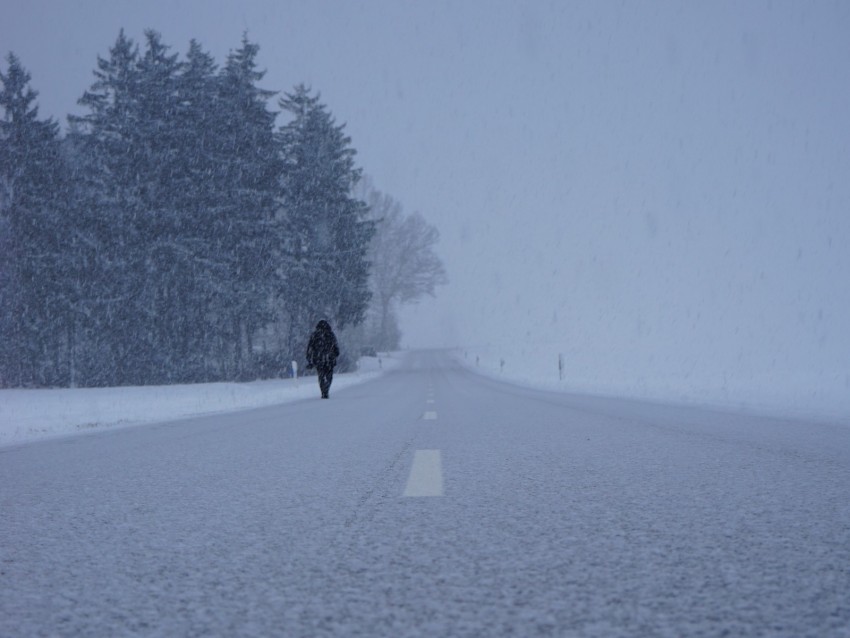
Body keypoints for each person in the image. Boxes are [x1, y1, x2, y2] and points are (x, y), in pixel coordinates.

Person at [305, 320, 340, 399]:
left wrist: (310, 359)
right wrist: (335, 354)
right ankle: (326, 388)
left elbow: (310, 348)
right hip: (329, 360)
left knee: (321, 376)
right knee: (329, 376)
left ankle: (323, 390)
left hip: (319, 359)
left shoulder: (315, 335)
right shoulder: (331, 335)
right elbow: (336, 347)